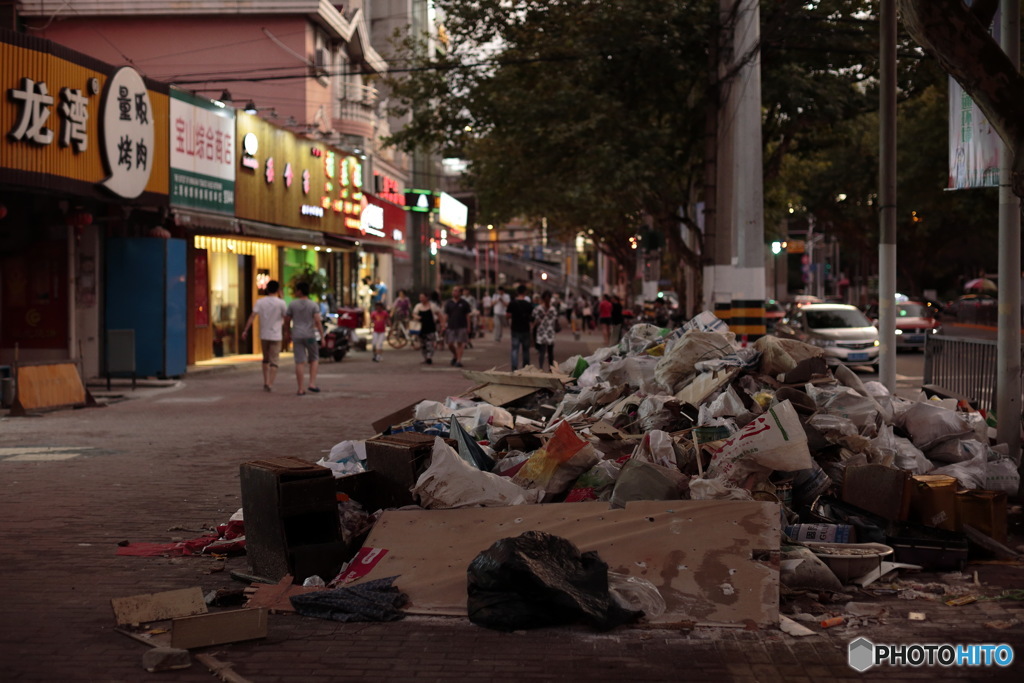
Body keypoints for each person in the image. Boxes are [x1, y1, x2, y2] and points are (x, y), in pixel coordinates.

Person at [240, 279, 288, 392]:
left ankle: (265, 381)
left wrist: (245, 330)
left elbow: (252, 316)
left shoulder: (260, 302)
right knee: (274, 360)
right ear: (278, 290)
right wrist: (287, 332)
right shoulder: (281, 303)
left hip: (264, 334)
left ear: (267, 289)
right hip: (276, 335)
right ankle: (270, 383)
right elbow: (286, 318)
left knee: (265, 359)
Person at [284, 281, 324, 395]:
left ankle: (300, 388)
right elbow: (317, 321)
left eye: (296, 290)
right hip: (310, 335)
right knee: (314, 358)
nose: (295, 292)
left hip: (297, 335)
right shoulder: (313, 304)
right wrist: (322, 336)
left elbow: (287, 320)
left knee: (299, 361)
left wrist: (287, 333)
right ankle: (312, 383)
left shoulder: (292, 304)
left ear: (300, 291)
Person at [442, 286, 473, 367]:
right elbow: (446, 315)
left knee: (460, 343)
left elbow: (468, 316)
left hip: (462, 326)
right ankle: (455, 355)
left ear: (460, 293)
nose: (454, 292)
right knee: (450, 344)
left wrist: (469, 327)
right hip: (451, 326)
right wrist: (443, 325)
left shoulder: (464, 303)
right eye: (453, 291)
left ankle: (459, 360)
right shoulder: (448, 303)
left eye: (456, 291)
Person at [507, 285, 534, 370]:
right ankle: (526, 367)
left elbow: (507, 315)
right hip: (525, 329)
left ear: (517, 292)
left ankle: (514, 367)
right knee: (526, 350)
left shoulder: (512, 303)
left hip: (515, 328)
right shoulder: (528, 304)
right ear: (525, 292)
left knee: (515, 349)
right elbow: (532, 318)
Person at [531, 290, 559, 371]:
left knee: (542, 352)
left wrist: (533, 328)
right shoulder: (553, 309)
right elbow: (556, 320)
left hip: (542, 332)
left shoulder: (538, 309)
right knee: (550, 352)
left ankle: (540, 368)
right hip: (550, 332)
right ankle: (551, 369)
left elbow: (534, 318)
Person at [413, 291, 442, 364]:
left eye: (423, 297)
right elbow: (414, 314)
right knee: (423, 344)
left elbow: (439, 314)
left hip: (430, 327)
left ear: (427, 298)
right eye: (420, 297)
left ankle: (429, 357)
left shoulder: (432, 306)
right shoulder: (418, 306)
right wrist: (417, 317)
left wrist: (442, 324)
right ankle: (425, 357)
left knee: (430, 343)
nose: (421, 299)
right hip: (420, 328)